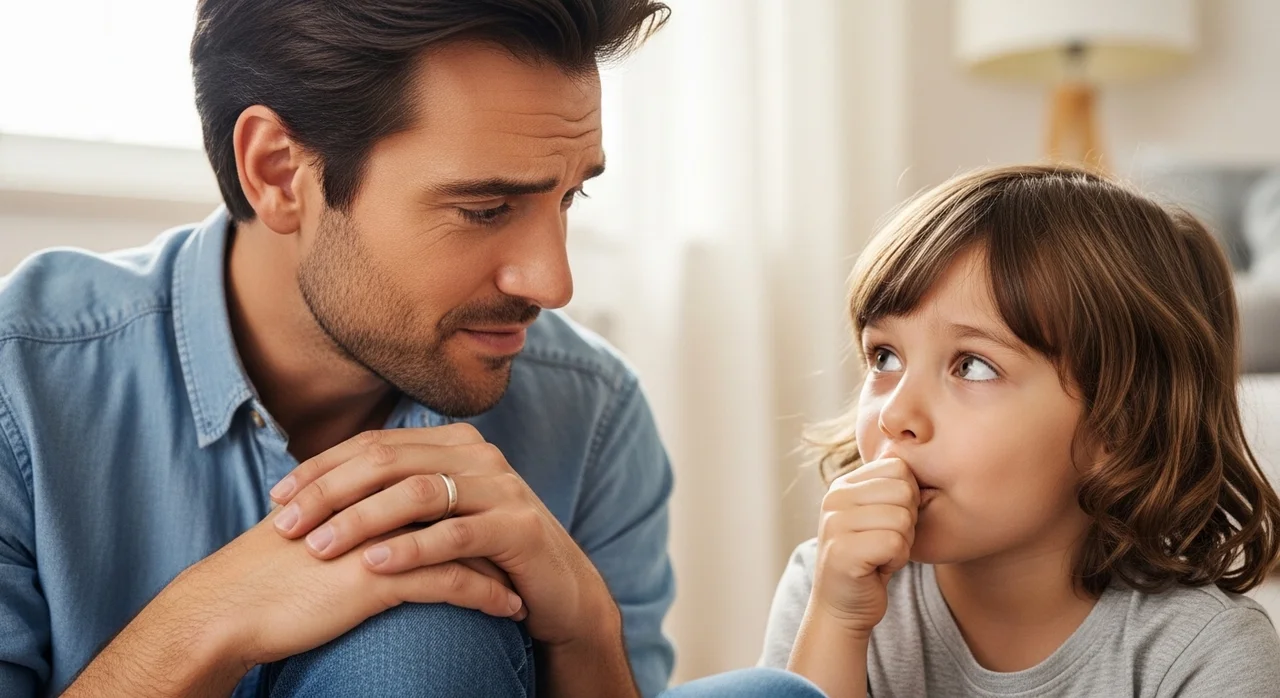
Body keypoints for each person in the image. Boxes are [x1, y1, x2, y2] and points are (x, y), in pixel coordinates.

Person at [0, 2, 686, 696]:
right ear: (275, 172)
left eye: (569, 197)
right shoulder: (19, 390)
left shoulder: (593, 413)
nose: (552, 282)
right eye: (484, 210)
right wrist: (205, 622)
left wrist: (586, 628)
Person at [759, 164, 1280, 697]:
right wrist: (838, 622)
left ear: (1120, 426)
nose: (895, 415)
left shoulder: (1205, 652)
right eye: (885, 357)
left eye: (973, 366)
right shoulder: (829, 588)